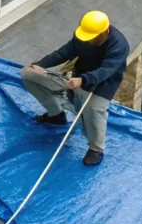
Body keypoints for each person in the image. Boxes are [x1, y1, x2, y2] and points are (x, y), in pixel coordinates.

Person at [19, 11, 130, 167]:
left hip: (101, 85)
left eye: (92, 39)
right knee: (27, 74)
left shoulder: (119, 45)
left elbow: (106, 70)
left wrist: (83, 80)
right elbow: (63, 53)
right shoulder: (83, 35)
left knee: (93, 110)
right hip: (76, 79)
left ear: (104, 33)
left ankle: (96, 149)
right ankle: (56, 114)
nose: (88, 41)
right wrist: (39, 65)